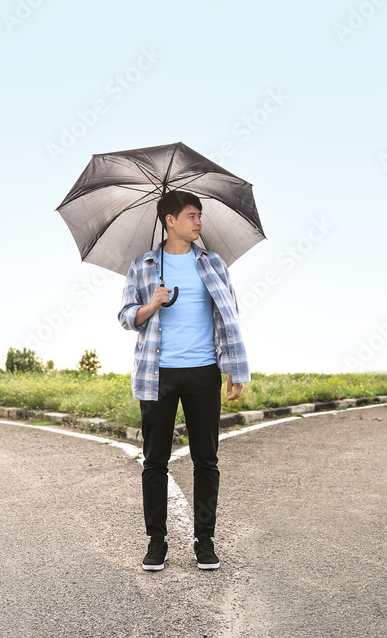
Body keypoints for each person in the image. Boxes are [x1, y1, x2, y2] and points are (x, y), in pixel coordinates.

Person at [118, 190, 250, 571]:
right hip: (157, 373)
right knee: (154, 460)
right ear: (169, 220)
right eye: (191, 215)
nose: (199, 222)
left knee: (206, 460)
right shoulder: (143, 266)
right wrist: (151, 304)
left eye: (200, 216)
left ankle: (204, 541)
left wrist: (234, 370)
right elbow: (127, 317)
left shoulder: (213, 263)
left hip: (204, 371)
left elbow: (230, 317)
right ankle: (156, 542)